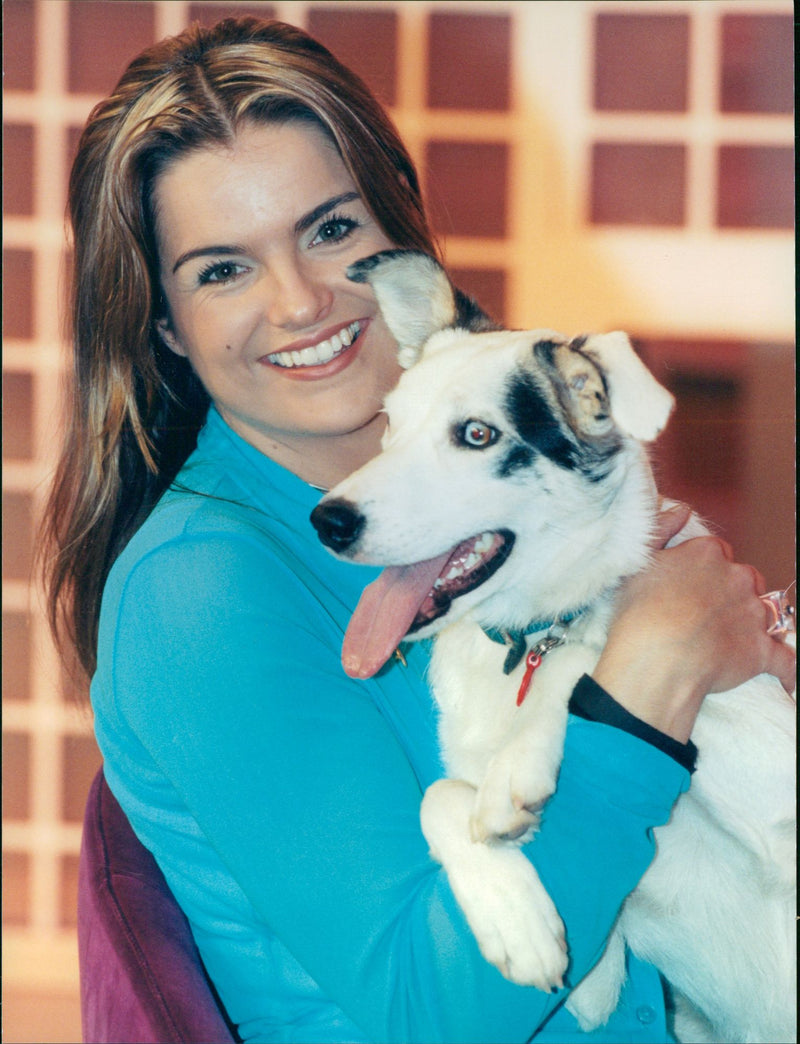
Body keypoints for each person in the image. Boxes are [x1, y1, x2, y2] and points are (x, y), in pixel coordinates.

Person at [41, 17, 795, 1044]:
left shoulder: (472, 510)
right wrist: (652, 677)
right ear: (165, 324)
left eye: (331, 231)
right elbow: (425, 1011)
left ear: (400, 238)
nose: (302, 301)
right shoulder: (199, 593)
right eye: (223, 270)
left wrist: (732, 669)